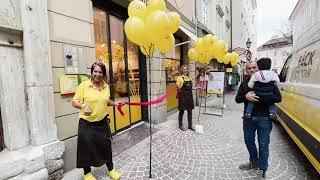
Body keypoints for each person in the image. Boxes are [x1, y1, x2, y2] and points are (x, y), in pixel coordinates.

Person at [72, 62, 121, 180]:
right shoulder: (83, 86)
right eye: (95, 71)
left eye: (100, 72)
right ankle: (87, 173)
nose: (98, 74)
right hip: (86, 123)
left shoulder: (106, 87)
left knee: (106, 146)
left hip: (102, 122)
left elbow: (105, 101)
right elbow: (74, 102)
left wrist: (115, 103)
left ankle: (111, 169)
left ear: (103, 74)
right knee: (86, 147)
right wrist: (83, 106)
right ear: (92, 72)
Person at [235, 60, 282, 178]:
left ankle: (262, 167)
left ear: (258, 67)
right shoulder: (245, 83)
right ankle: (254, 162)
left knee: (263, 145)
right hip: (248, 119)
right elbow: (237, 99)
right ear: (246, 70)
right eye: (249, 68)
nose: (251, 70)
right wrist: (246, 96)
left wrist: (261, 96)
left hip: (265, 118)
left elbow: (278, 97)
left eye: (254, 67)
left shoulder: (270, 81)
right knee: (249, 141)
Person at [176, 65, 195, 131]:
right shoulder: (179, 78)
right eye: (184, 69)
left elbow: (191, 88)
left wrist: (197, 88)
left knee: (190, 111)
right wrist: (178, 87)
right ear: (182, 70)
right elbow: (178, 88)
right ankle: (180, 125)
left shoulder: (189, 77)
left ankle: (190, 125)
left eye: (186, 69)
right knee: (182, 111)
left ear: (188, 70)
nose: (185, 70)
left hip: (189, 97)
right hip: (183, 97)